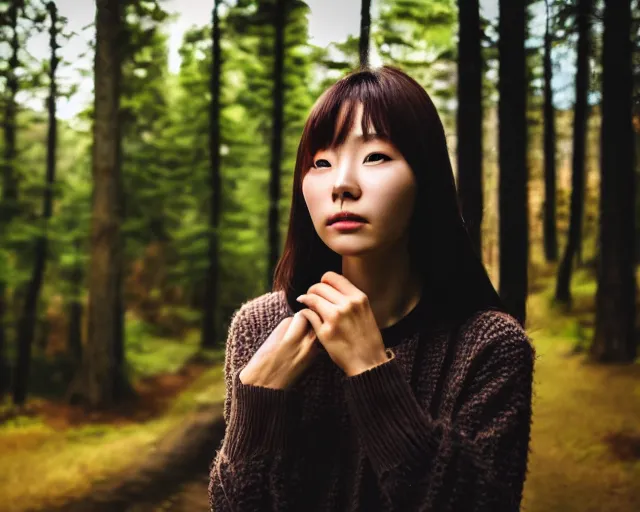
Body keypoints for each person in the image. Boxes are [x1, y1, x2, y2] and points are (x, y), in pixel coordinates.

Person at [208, 65, 536, 512]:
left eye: (375, 156)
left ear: (426, 178)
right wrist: (256, 405)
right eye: (321, 162)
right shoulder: (260, 327)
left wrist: (371, 371)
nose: (341, 184)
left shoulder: (489, 346)